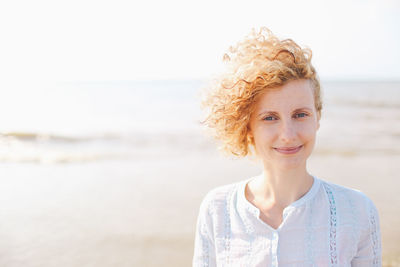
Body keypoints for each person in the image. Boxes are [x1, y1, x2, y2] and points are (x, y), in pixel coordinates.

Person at [192, 27, 382, 266]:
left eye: (300, 114)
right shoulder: (218, 210)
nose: (288, 135)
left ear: (318, 118)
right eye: (270, 117)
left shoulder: (357, 211)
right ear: (247, 127)